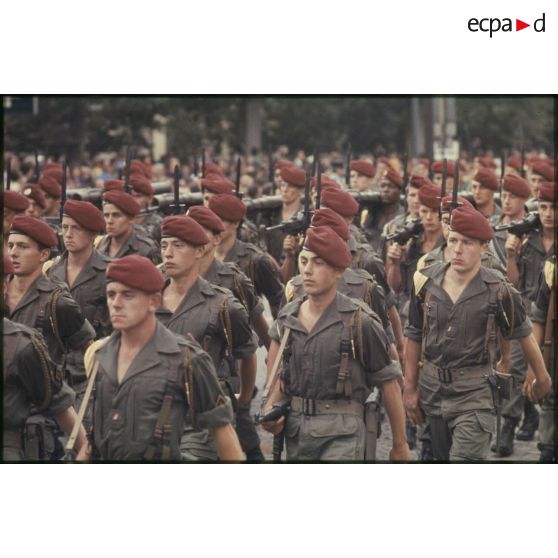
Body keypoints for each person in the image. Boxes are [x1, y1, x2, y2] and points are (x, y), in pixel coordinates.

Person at [403, 206, 551, 461]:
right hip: (433, 391)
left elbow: (524, 334)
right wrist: (410, 388)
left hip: (475, 395)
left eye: (467, 243)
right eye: (453, 241)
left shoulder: (499, 290)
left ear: (484, 248)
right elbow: (414, 334)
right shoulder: (425, 282)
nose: (457, 249)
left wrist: (542, 376)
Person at [261, 226, 410, 462]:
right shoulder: (288, 317)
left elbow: (390, 383)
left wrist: (400, 445)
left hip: (344, 433)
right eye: (303, 260)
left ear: (339, 270)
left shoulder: (359, 321)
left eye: (318, 263)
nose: (307, 271)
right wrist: (269, 410)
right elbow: (280, 374)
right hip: (297, 432)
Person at [84, 255, 244, 461]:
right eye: (111, 294)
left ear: (154, 302)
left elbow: (223, 434)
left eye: (128, 295)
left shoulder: (186, 359)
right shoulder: (101, 356)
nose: (116, 303)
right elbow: (93, 440)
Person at [155, 215, 259, 461]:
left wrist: (243, 398)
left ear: (200, 250)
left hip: (200, 419)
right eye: (164, 245)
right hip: (153, 414)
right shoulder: (147, 299)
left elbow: (247, 353)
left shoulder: (222, 305)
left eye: (178, 246)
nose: (168, 253)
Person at [6, 215, 95, 459]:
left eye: (23, 247)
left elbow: (90, 355)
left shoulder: (57, 303)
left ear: (44, 255)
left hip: (39, 416)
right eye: (10, 245)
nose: (13, 252)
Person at [494, 180, 555, 455]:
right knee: (516, 367)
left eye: (554, 208)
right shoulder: (527, 239)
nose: (549, 214)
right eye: (544, 207)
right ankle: (508, 425)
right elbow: (513, 282)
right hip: (527, 316)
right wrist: (509, 256)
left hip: (551, 319)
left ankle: (547, 438)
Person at [44, 200, 112, 412]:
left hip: (92, 372)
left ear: (92, 234)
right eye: (64, 228)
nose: (68, 234)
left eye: (76, 228)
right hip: (54, 372)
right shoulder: (50, 272)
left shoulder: (110, 273)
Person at [210, 193, 284, 319]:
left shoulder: (255, 260)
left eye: (221, 221)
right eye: (212, 220)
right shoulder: (200, 255)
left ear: (236, 223)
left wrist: (274, 337)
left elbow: (278, 304)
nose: (215, 226)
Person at [386, 182, 444, 325]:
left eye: (435, 212)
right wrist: (395, 263)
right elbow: (394, 287)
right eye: (424, 211)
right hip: (407, 314)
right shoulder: (411, 243)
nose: (429, 217)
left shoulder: (449, 244)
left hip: (438, 315)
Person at [96, 190, 160, 263]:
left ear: (131, 218)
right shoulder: (100, 244)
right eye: (106, 215)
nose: (110, 221)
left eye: (116, 215)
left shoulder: (145, 249)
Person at [361, 167, 404, 252]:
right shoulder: (372, 213)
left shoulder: (403, 216)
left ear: (399, 191)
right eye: (383, 186)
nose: (385, 190)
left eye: (391, 186)